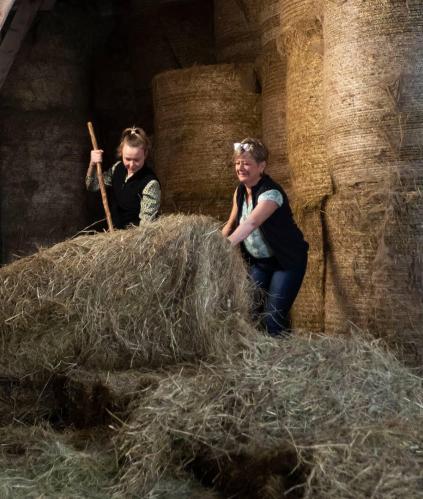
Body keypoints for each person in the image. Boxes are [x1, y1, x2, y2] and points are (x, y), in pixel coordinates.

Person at [222, 138, 308, 336]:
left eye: (246, 163)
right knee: (248, 311)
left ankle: (280, 353)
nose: (240, 168)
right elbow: (231, 223)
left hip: (286, 261)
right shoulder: (240, 191)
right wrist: (214, 243)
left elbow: (251, 223)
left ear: (261, 166)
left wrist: (226, 246)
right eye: (237, 163)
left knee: (272, 319)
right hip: (260, 263)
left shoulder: (271, 194)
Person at [86, 126, 160, 228]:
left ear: (145, 154)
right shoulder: (117, 168)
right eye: (127, 159)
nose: (132, 165)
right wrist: (92, 164)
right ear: (121, 152)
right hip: (113, 231)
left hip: (133, 235)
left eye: (137, 160)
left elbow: (146, 227)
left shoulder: (150, 183)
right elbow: (92, 186)